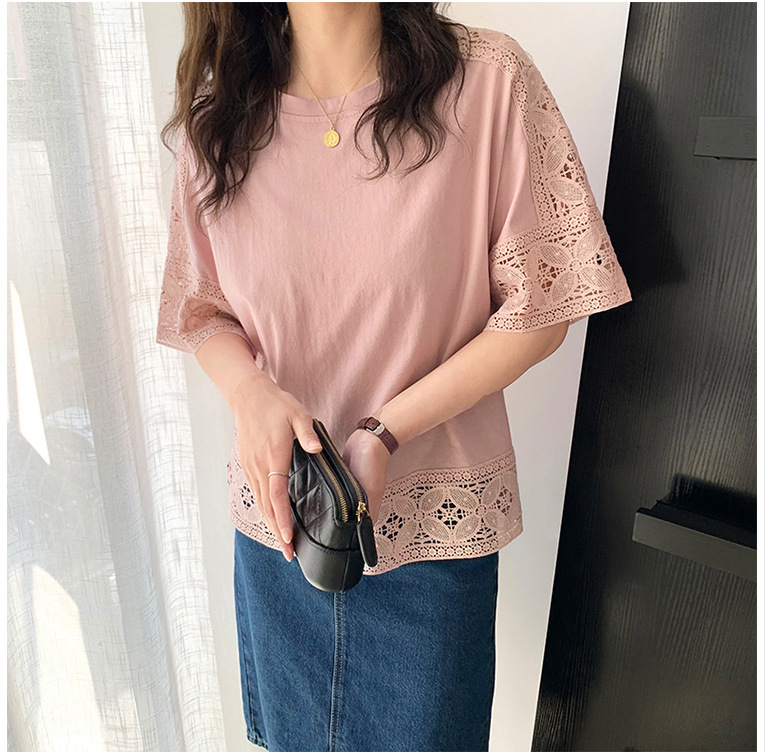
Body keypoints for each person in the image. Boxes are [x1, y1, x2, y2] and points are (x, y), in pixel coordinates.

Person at [156, 3, 633, 750]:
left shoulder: (487, 82)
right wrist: (250, 393)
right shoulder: (220, 120)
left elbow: (544, 304)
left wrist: (384, 431)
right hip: (281, 535)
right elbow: (203, 309)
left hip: (430, 545)